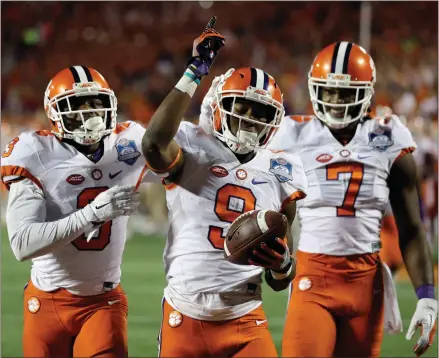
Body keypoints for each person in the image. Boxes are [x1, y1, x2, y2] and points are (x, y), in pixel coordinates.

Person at [141, 18, 307, 357]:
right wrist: (194, 70)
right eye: (241, 105)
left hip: (244, 318)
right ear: (218, 106)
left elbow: (281, 278)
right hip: (185, 312)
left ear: (273, 120)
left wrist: (281, 264)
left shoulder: (282, 169)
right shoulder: (192, 145)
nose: (249, 117)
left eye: (260, 111)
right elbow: (154, 144)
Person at [268, 41, 437, 357]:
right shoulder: (293, 135)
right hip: (312, 276)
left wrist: (427, 297)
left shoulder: (389, 137)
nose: (334, 102)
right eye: (328, 91)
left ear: (367, 93)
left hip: (366, 282)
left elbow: (412, 228)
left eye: (345, 93)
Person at [1, 65, 157, 357]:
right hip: (46, 302)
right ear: (56, 113)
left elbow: (184, 169)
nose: (91, 114)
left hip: (103, 300)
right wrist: (91, 215)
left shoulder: (129, 143)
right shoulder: (35, 152)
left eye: (97, 104)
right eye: (78, 106)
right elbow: (22, 244)